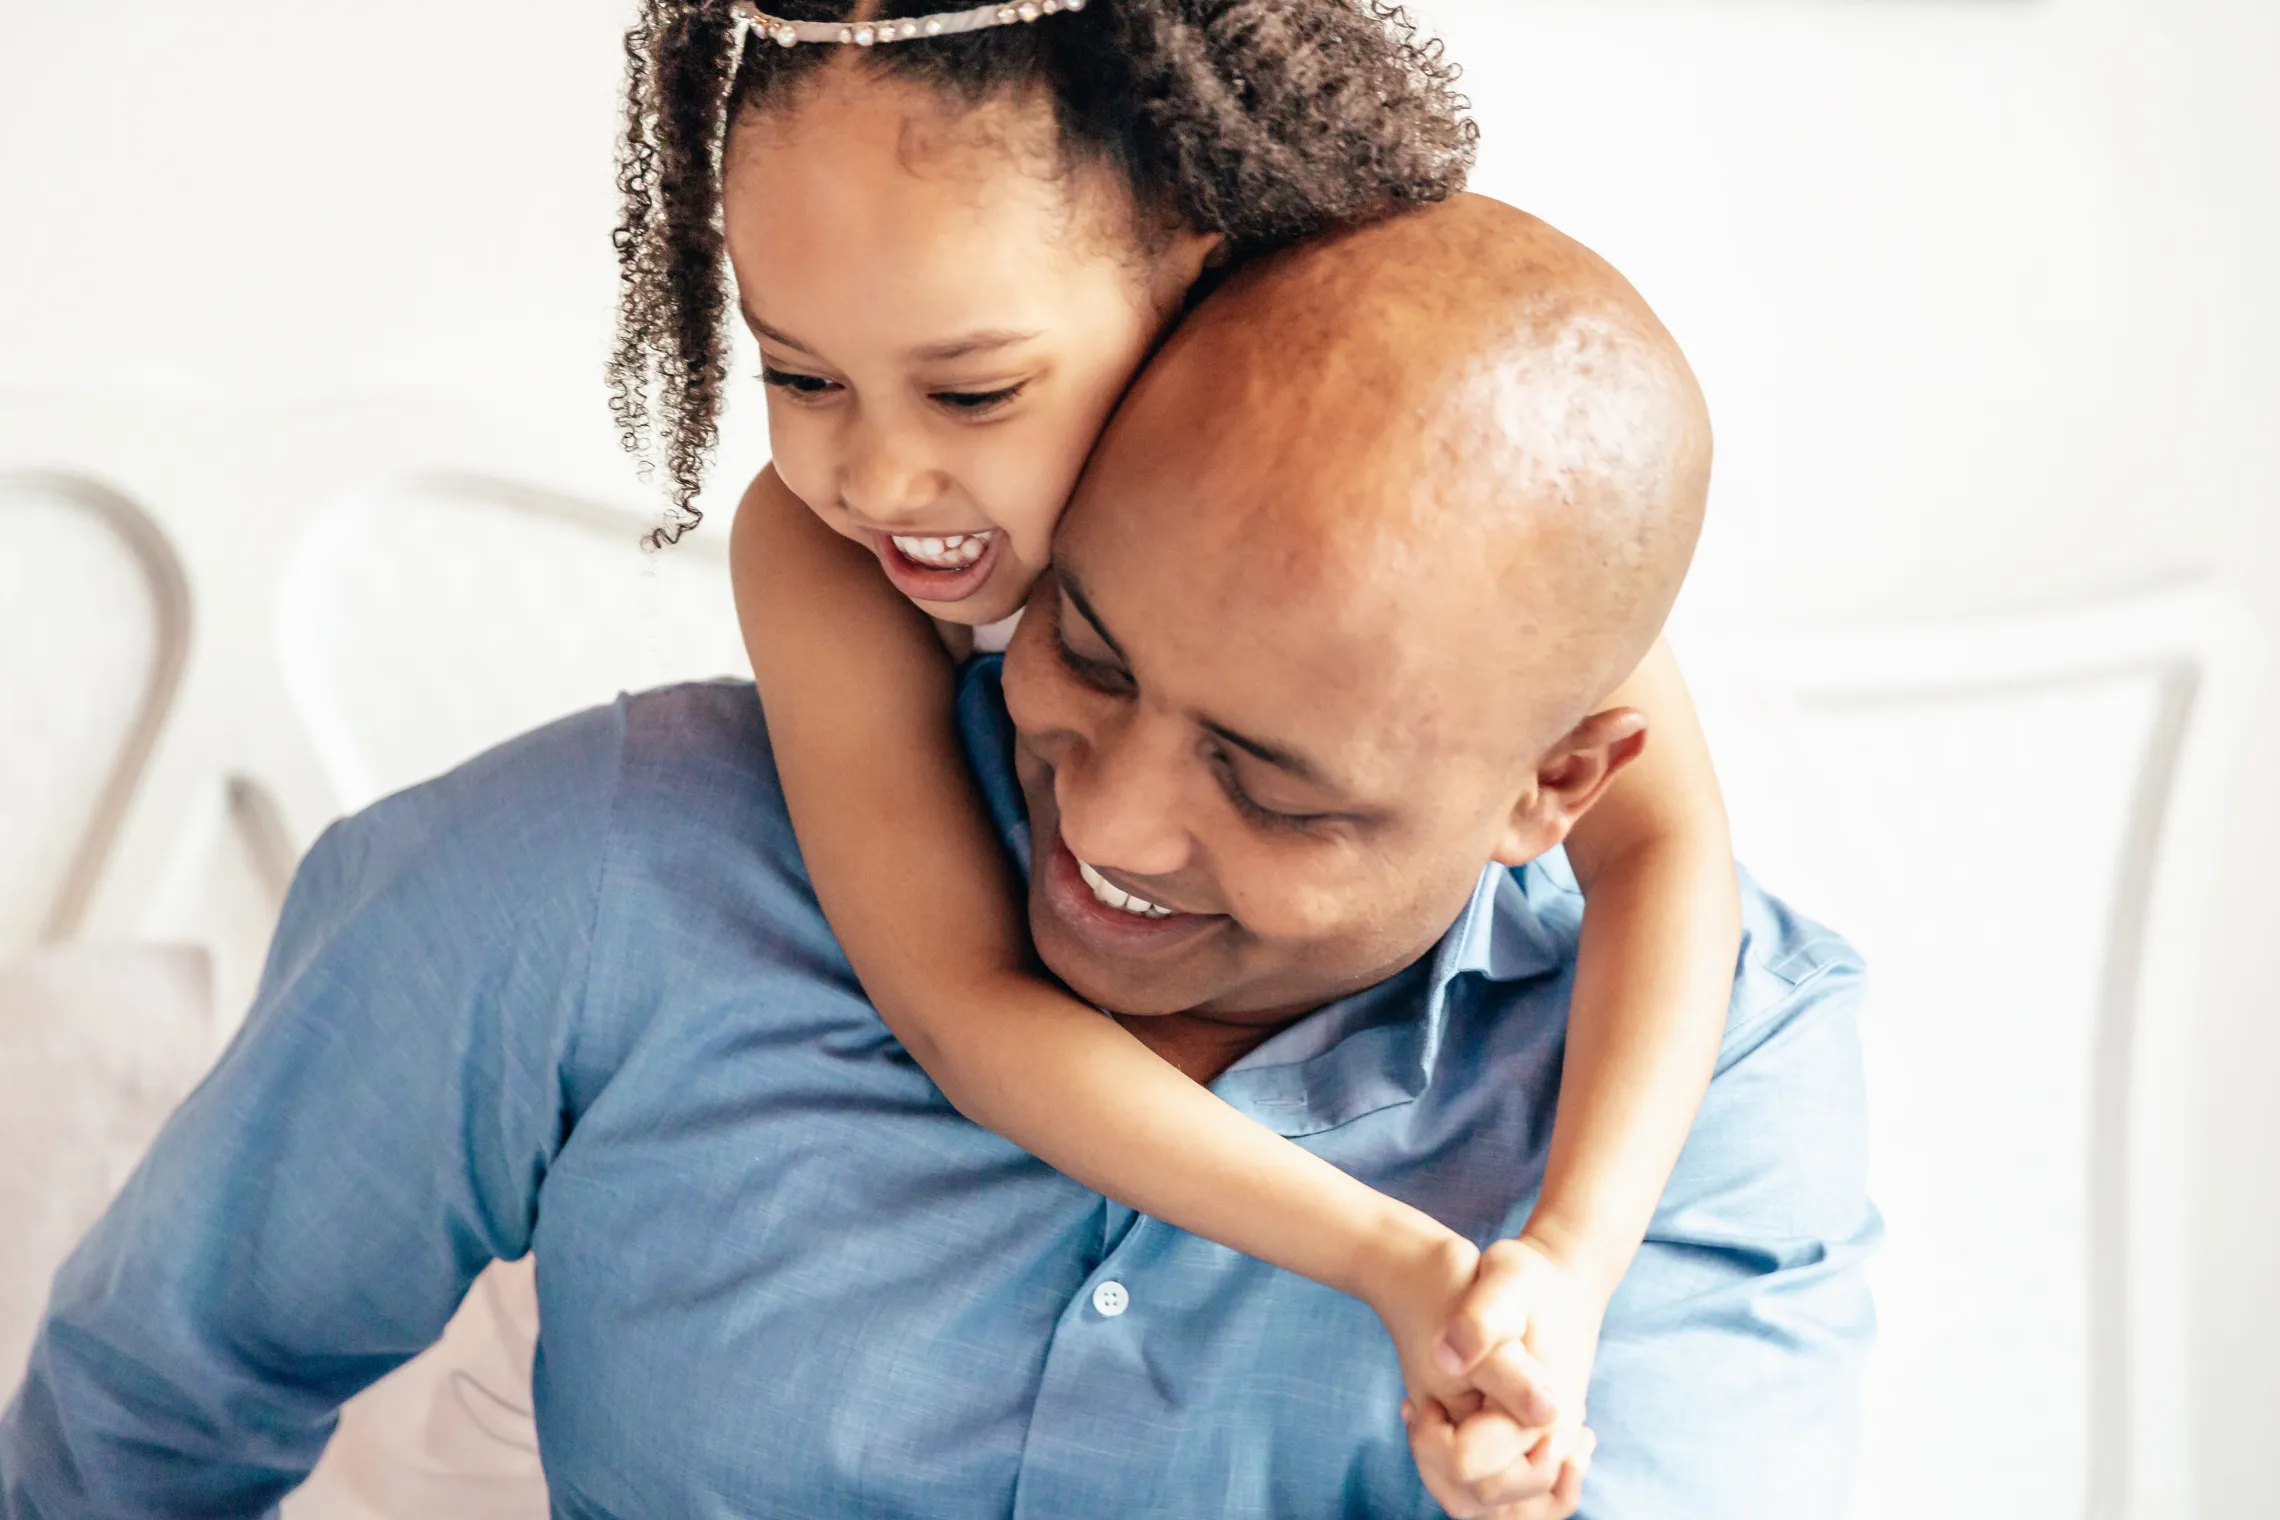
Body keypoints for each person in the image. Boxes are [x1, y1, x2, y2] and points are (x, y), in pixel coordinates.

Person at [0, 192, 1875, 1517]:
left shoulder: (1719, 1076)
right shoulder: (590, 881)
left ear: (1561, 776)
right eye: (1093, 650)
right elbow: (139, 1424)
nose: (1118, 827)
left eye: (1274, 783)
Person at [615, 0, 1748, 1456]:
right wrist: (1392, 1260)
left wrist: (1572, 1264)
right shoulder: (820, 556)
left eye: (974, 391)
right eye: (800, 374)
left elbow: (1665, 851)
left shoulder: (1416, 501)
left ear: (1201, 281)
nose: (881, 476)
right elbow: (963, 1008)